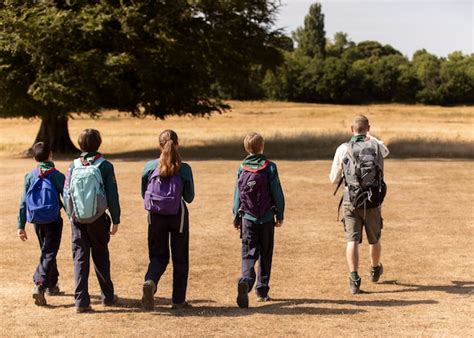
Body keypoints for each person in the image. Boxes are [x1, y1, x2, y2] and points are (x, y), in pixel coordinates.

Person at [329, 115, 389, 294]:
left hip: (351, 199)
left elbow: (333, 179)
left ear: (351, 129)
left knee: (352, 240)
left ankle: (354, 278)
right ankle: (375, 268)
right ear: (368, 128)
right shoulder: (377, 146)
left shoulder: (343, 148)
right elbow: (386, 151)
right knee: (374, 238)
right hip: (373, 200)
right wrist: (373, 138)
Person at [64, 129, 121, 313]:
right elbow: (112, 195)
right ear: (99, 143)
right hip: (98, 219)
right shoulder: (105, 166)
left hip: (77, 218)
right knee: (101, 256)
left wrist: (71, 214)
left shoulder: (72, 166)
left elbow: (66, 194)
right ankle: (108, 297)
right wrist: (116, 218)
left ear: (80, 144)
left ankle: (81, 301)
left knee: (80, 258)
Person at [141, 129, 195, 311]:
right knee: (180, 258)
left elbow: (144, 194)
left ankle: (150, 281)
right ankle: (178, 300)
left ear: (159, 145)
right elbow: (189, 197)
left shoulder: (149, 167)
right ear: (177, 144)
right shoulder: (184, 168)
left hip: (155, 217)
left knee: (158, 255)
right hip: (177, 217)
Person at [233, 132, 285, 308]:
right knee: (266, 253)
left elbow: (237, 194)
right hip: (267, 217)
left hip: (247, 217)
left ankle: (246, 281)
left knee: (248, 253)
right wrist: (280, 213)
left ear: (246, 148)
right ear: (262, 146)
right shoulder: (270, 167)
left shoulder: (241, 168)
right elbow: (277, 192)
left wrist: (235, 215)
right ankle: (262, 290)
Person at [17, 141, 65, 306]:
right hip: (53, 219)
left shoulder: (30, 176)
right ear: (50, 155)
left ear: (34, 158)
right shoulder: (57, 175)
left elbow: (23, 202)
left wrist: (20, 226)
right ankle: (40, 284)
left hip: (36, 220)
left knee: (47, 251)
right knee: (49, 252)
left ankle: (52, 284)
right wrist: (75, 217)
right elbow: (66, 200)